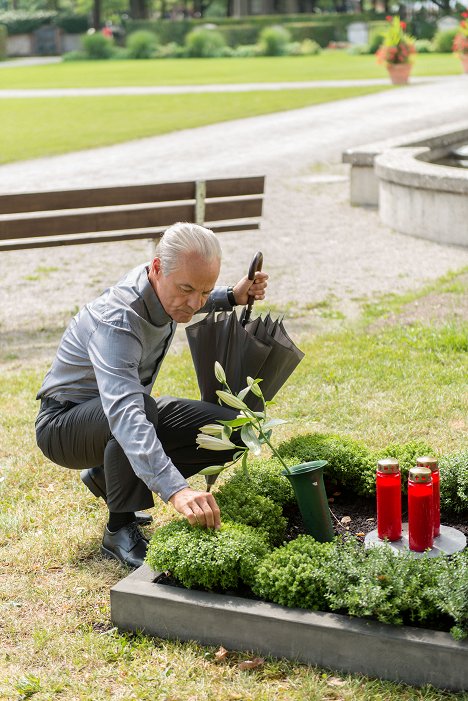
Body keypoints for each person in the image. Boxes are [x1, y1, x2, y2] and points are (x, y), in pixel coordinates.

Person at [35, 222, 268, 569]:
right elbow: (125, 413)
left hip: (117, 414)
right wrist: (177, 490)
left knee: (235, 429)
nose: (194, 303)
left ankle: (108, 474)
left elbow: (188, 299)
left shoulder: (165, 289)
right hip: (63, 426)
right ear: (157, 268)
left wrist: (230, 296)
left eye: (203, 291)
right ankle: (119, 528)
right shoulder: (118, 320)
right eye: (187, 288)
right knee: (140, 408)